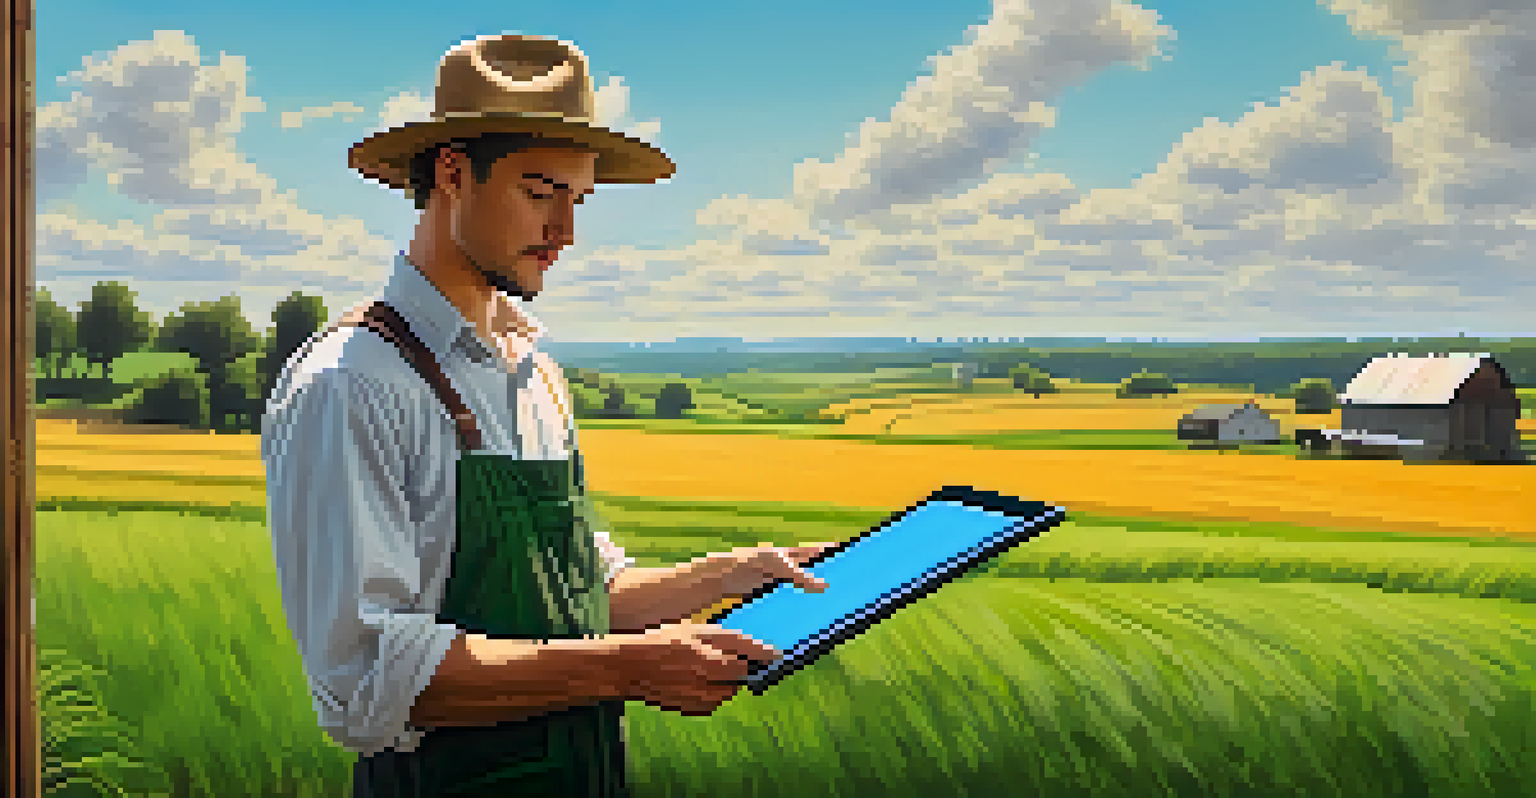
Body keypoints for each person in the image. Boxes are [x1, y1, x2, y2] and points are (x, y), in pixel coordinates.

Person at [261, 34, 833, 798]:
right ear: (454, 174)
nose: (567, 232)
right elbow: (366, 683)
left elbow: (577, 596)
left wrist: (730, 574)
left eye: (578, 199)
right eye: (540, 192)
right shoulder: (350, 383)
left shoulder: (536, 373)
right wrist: (632, 667)